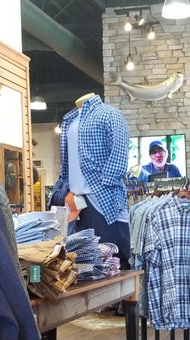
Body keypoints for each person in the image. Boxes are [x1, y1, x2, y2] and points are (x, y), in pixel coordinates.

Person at [50, 93, 132, 268]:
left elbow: (119, 152)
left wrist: (106, 183)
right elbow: (68, 161)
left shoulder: (109, 114)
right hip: (76, 200)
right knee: (81, 259)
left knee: (112, 257)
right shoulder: (70, 119)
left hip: (102, 198)